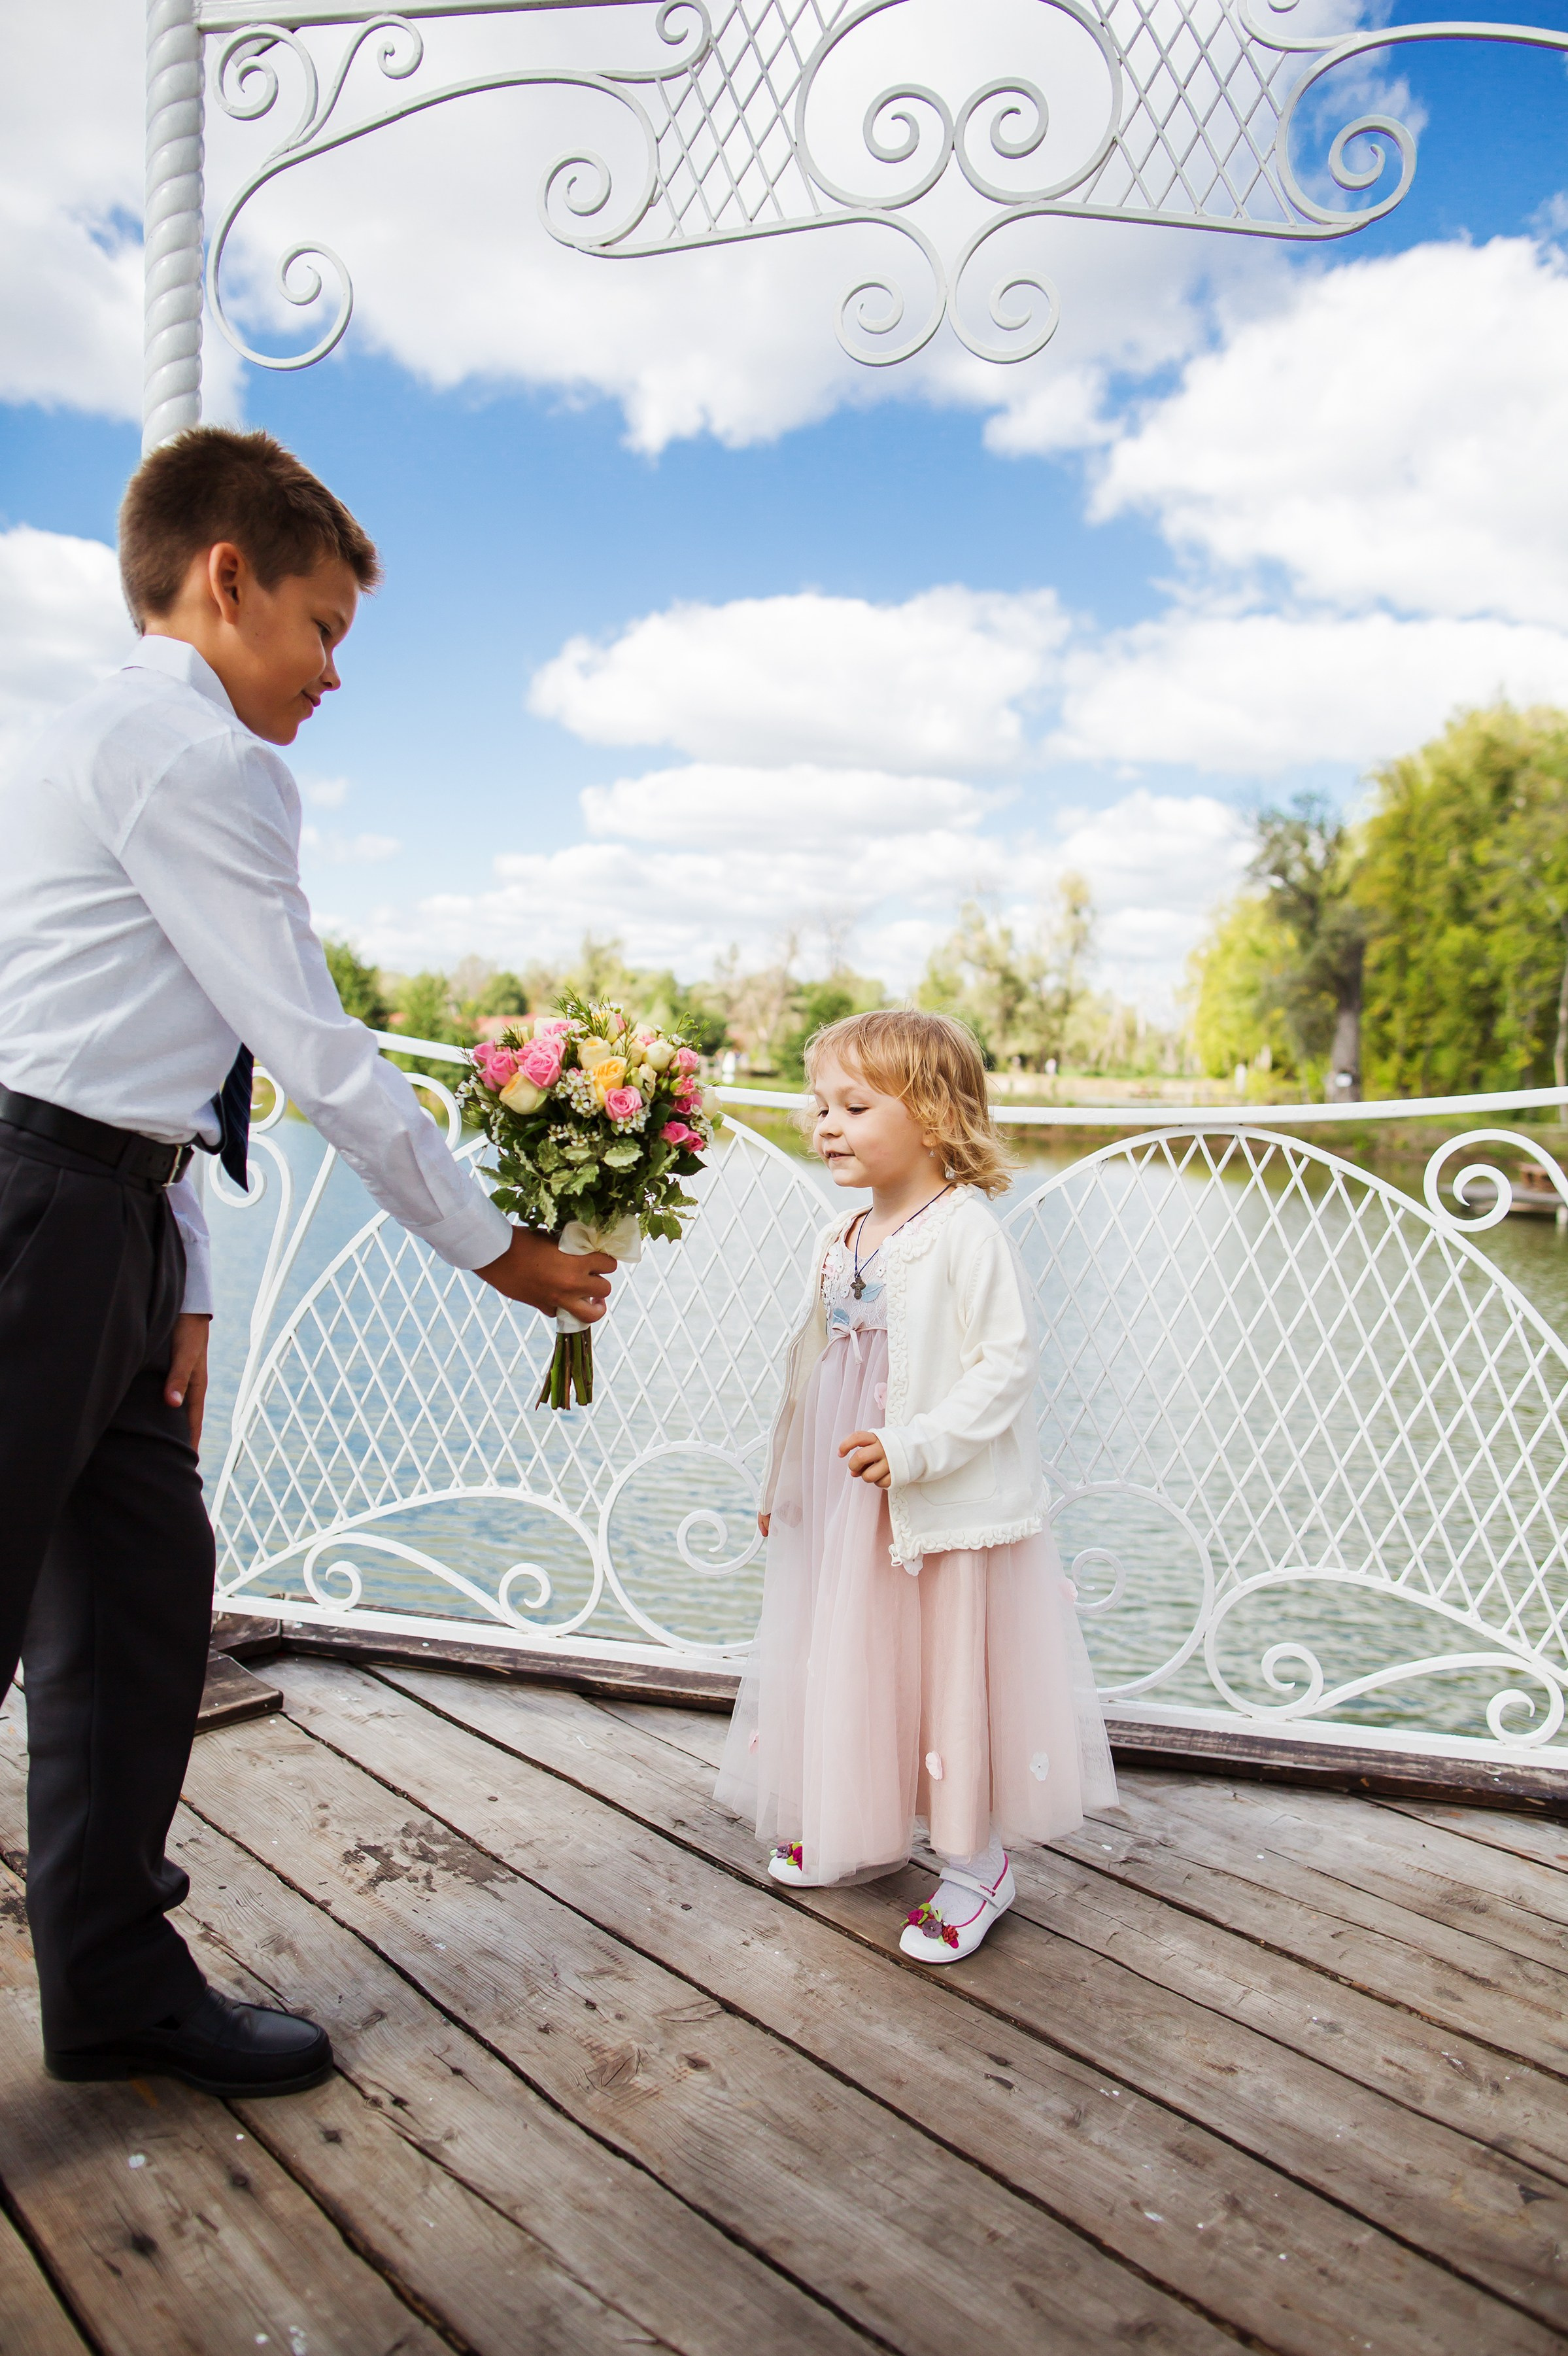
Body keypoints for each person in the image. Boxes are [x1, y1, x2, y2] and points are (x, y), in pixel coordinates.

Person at [0, 426, 615, 2096]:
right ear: (226, 580)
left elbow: (155, 1044)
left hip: (102, 1215)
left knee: (139, 1603)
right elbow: (311, 1047)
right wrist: (499, 1252)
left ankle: (117, 1982)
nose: (336, 671)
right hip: (36, 1216)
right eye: (325, 625)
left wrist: (177, 1272)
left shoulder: (109, 736)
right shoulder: (196, 758)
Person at [714, 1010, 1116, 1961]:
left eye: (854, 1105)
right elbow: (807, 1365)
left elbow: (1003, 1365)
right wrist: (784, 1475)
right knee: (852, 1651)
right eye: (819, 1105)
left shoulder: (962, 1231)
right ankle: (861, 1824)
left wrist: (919, 1444)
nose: (826, 1124)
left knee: (941, 1665)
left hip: (932, 1497)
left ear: (931, 1115)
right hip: (846, 1491)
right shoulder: (840, 1232)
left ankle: (977, 1865)